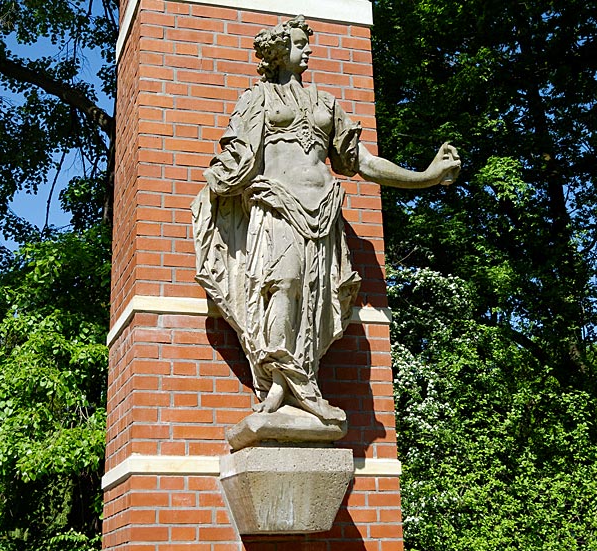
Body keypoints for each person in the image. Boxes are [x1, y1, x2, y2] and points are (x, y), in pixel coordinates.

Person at [192, 15, 460, 423]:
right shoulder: (258, 99)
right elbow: (237, 159)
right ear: (280, 52)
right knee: (282, 284)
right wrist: (219, 183)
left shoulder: (325, 103)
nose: (309, 51)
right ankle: (281, 382)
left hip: (323, 212)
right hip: (279, 205)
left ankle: (303, 382)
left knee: (314, 302)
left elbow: (363, 163)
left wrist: (425, 177)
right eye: (300, 44)